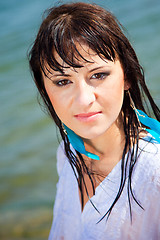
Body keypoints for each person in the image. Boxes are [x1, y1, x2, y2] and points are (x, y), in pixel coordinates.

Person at [29, 2, 160, 239]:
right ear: (44, 90)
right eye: (62, 81)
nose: (83, 99)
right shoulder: (68, 153)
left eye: (98, 75)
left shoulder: (154, 172)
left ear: (127, 76)